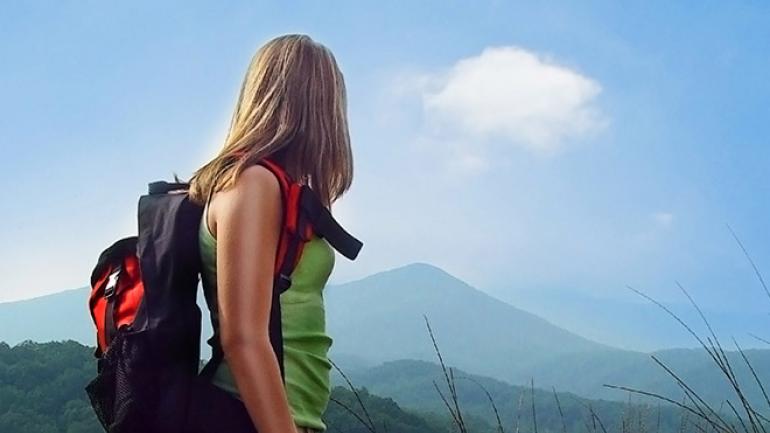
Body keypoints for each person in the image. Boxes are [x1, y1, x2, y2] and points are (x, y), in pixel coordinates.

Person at [187, 34, 354, 433]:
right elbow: (243, 337)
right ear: (317, 106)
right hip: (249, 418)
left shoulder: (275, 186)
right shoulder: (253, 184)